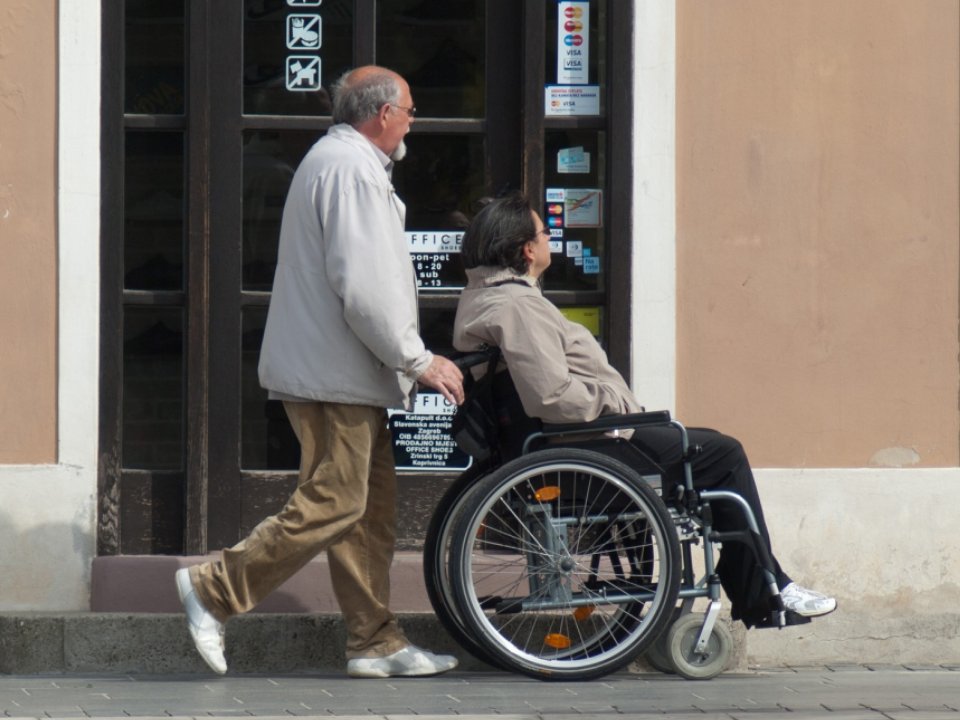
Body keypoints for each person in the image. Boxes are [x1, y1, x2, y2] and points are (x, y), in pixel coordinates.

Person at [176, 66, 465, 678]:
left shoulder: (343, 164)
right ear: (382, 113)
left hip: (342, 372)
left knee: (368, 512)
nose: (414, 120)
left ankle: (374, 641)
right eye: (410, 110)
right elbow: (365, 288)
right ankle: (213, 588)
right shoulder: (351, 170)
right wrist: (418, 358)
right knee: (336, 502)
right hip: (335, 375)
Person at [452, 193, 836, 628]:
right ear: (526, 249)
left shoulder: (489, 298)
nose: (549, 239)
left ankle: (759, 579)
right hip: (587, 443)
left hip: (574, 441)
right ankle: (765, 584)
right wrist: (616, 406)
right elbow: (552, 397)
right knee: (722, 454)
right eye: (544, 232)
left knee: (707, 448)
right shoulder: (518, 306)